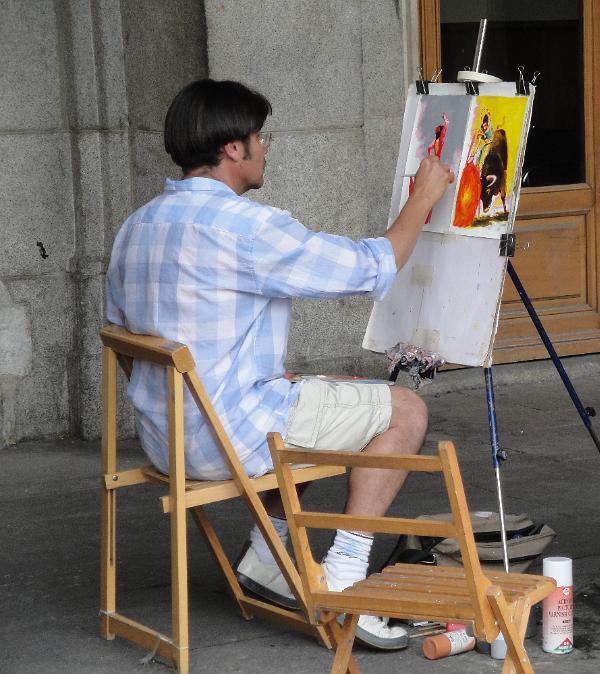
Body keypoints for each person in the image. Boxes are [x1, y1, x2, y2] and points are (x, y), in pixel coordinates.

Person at [105, 79, 453, 650]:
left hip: (163, 437)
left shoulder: (135, 227)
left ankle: (270, 555)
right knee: (405, 411)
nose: (267, 146)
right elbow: (368, 269)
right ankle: (345, 576)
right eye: (259, 136)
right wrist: (422, 199)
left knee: (304, 393)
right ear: (234, 149)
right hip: (231, 440)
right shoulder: (246, 227)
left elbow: (126, 345)